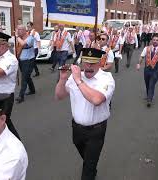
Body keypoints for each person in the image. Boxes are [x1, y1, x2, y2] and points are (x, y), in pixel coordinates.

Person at [55, 48, 115, 180]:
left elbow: (97, 100)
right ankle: (91, 166)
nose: (88, 67)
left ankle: (90, 169)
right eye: (86, 63)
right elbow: (59, 96)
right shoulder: (75, 77)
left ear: (100, 63)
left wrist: (78, 81)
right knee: (87, 159)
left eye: (92, 63)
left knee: (87, 170)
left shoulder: (106, 79)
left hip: (96, 131)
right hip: (77, 129)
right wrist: (63, 79)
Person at [137, 36, 158, 107]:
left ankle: (149, 100)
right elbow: (142, 56)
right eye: (154, 40)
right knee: (147, 84)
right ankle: (149, 95)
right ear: (152, 40)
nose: (155, 41)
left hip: (155, 71)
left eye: (157, 40)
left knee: (152, 84)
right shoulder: (146, 48)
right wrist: (139, 64)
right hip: (147, 70)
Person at [15, 25, 36, 103]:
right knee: (27, 76)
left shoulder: (30, 38)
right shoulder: (19, 38)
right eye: (17, 29)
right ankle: (32, 90)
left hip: (29, 60)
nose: (18, 31)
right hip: (21, 60)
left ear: (24, 30)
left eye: (19, 29)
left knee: (24, 77)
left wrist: (17, 37)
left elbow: (23, 44)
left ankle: (21, 96)